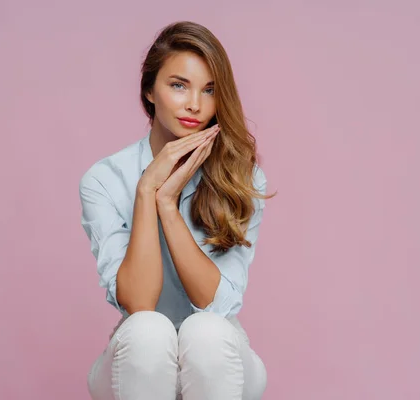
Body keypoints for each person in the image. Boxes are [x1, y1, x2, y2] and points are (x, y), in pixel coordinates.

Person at [79, 21, 274, 400]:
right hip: (137, 362)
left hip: (220, 359)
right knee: (148, 331)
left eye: (209, 90)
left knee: (207, 331)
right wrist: (146, 189)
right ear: (150, 90)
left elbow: (217, 303)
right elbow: (139, 302)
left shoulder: (241, 178)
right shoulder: (104, 179)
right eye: (178, 85)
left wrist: (167, 204)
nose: (195, 105)